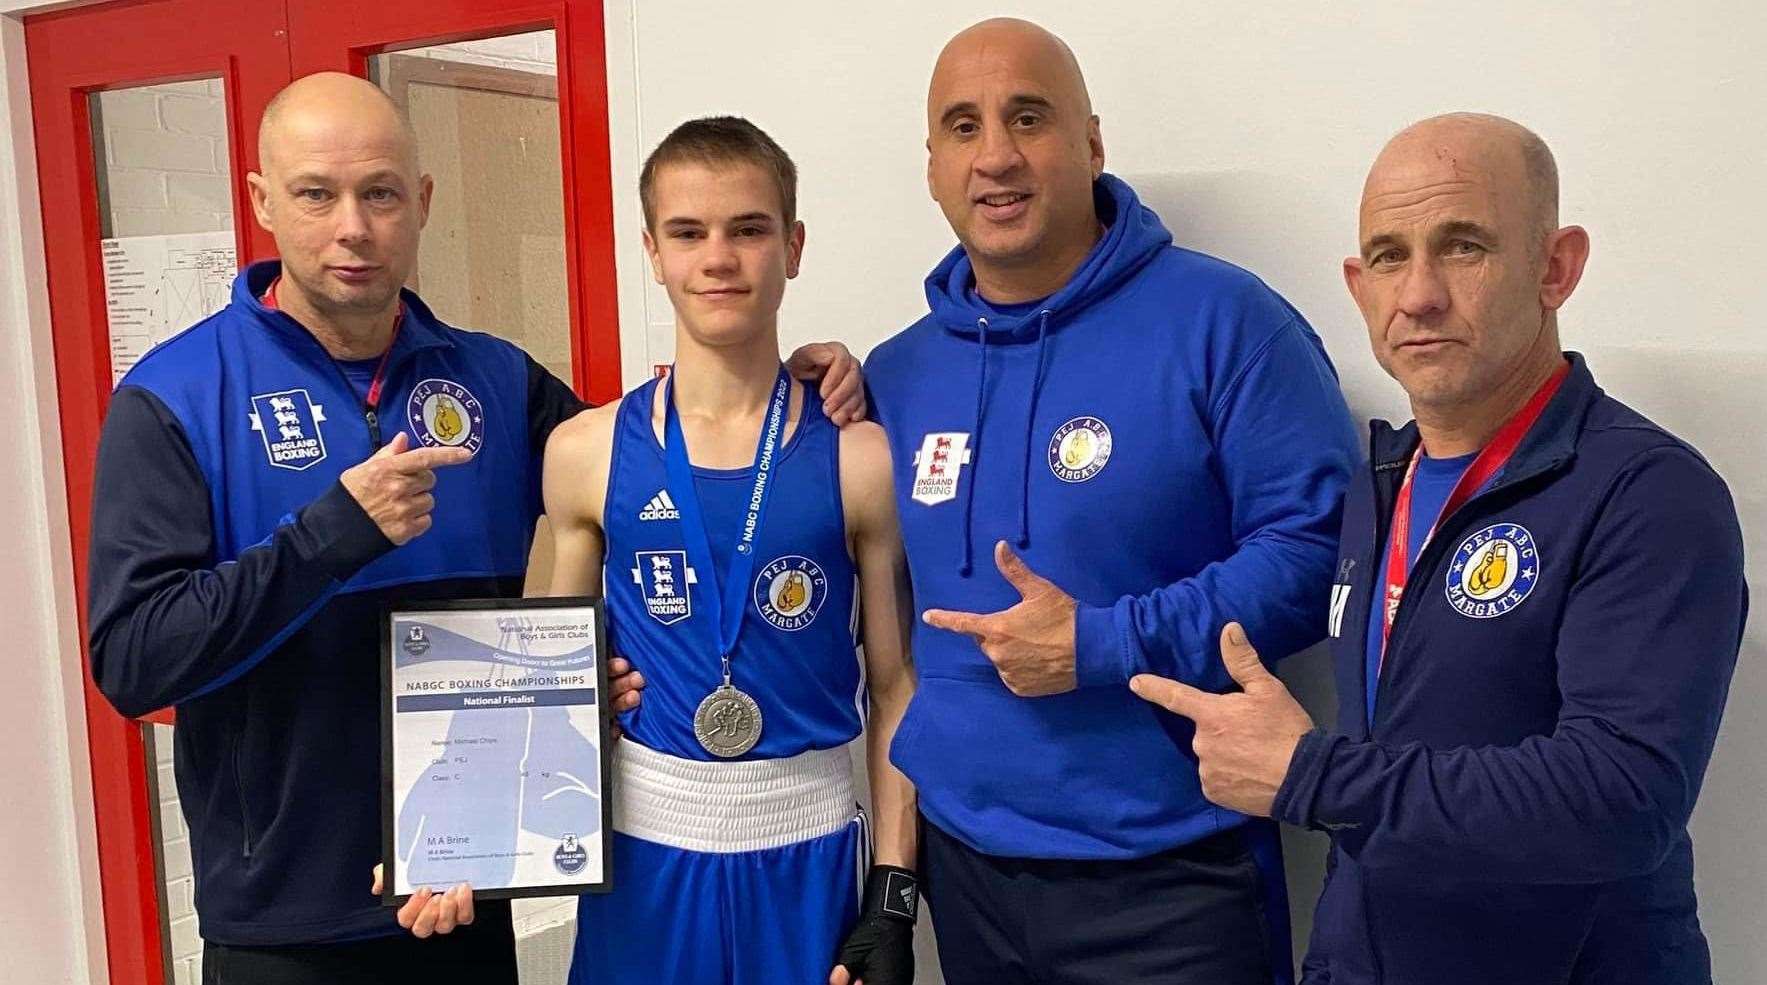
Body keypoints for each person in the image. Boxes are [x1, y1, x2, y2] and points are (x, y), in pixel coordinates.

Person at [84, 72, 863, 984]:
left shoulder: (495, 380)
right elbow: (135, 662)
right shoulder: (174, 398)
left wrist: (808, 387)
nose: (352, 227)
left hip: (469, 885)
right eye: (315, 194)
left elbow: (672, 483)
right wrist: (330, 535)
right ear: (262, 202)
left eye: (379, 193)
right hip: (285, 922)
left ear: (419, 203)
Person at [1132, 113, 1746, 984]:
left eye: (1462, 247)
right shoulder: (1378, 485)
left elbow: (1621, 799)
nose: (1417, 294)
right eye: (1387, 256)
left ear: (1555, 267)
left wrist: (1313, 774)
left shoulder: (1647, 493)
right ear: (1356, 285)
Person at [859, 17, 1359, 985]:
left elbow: (1316, 554)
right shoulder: (898, 370)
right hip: (966, 870)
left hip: (1172, 883)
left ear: (1090, 142)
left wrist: (1102, 643)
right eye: (962, 127)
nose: (995, 155)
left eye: (1028, 117)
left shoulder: (1224, 322)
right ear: (930, 165)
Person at [543, 116, 917, 985]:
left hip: (810, 857)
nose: (717, 257)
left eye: (747, 229)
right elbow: (545, 682)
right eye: (688, 232)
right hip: (644, 862)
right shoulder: (585, 452)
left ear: (791, 244)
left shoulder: (859, 455)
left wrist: (894, 889)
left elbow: (897, 683)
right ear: (652, 250)